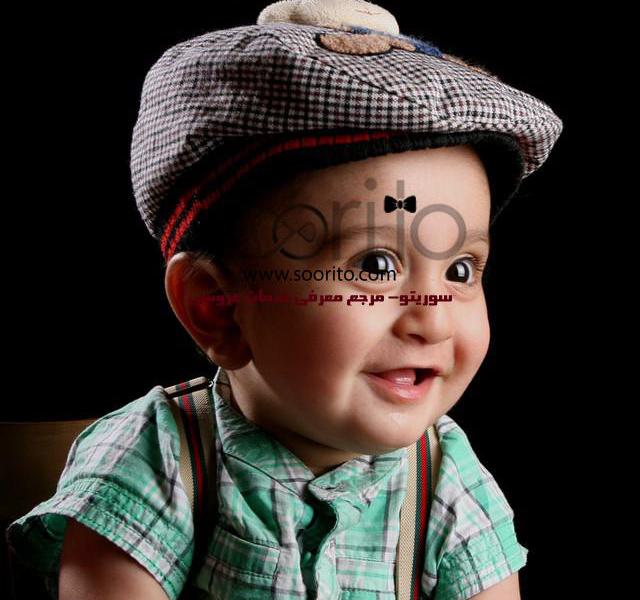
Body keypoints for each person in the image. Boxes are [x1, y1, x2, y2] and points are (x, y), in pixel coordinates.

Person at [5, 1, 563, 599]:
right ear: (218, 307)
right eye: (375, 267)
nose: (434, 316)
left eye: (460, 269)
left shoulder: (445, 477)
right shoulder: (160, 460)